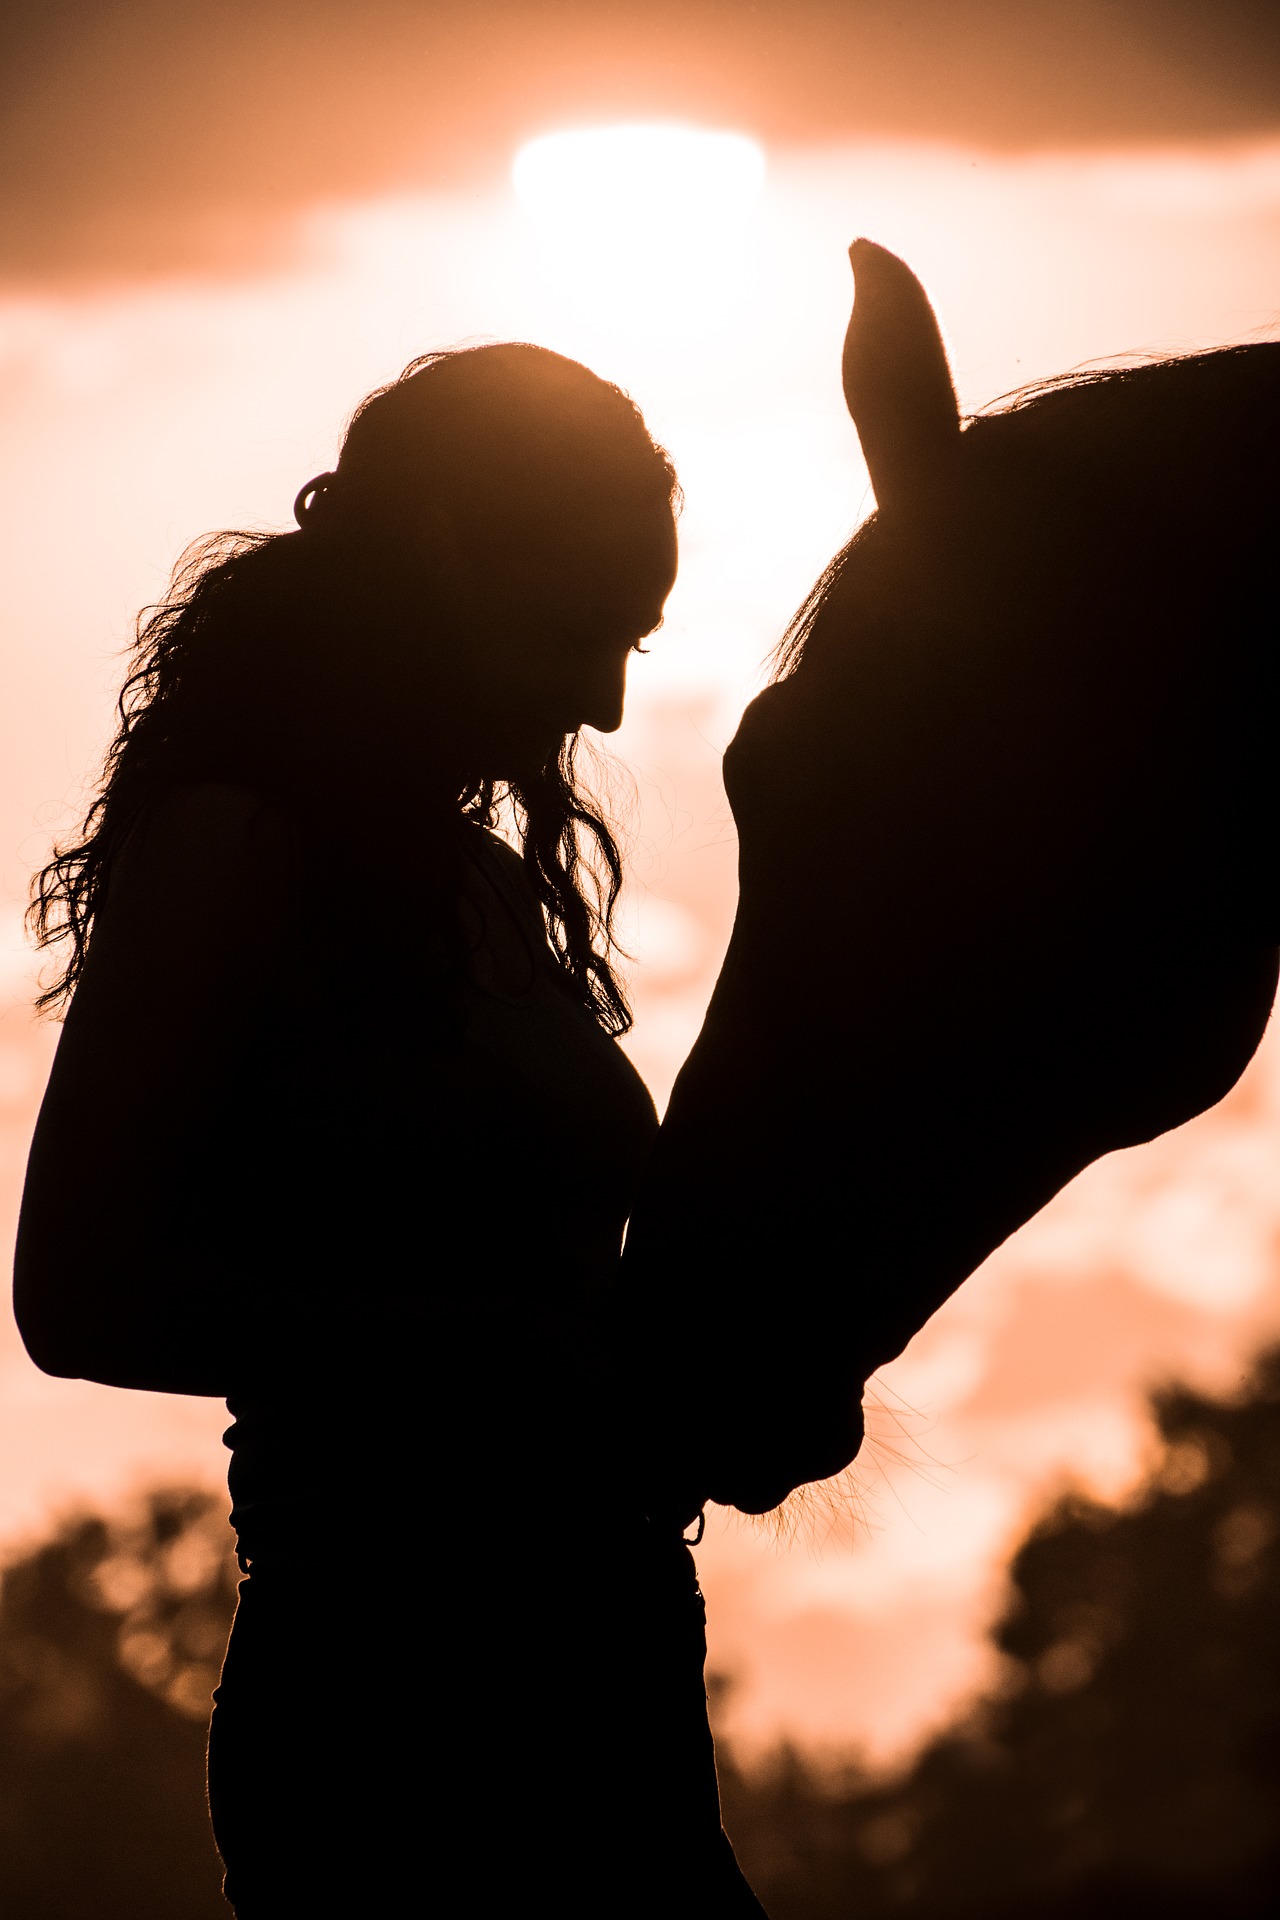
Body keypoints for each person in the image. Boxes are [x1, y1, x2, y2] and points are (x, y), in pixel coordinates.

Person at [14, 344, 765, 1915]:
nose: (607, 695)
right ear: (440, 558)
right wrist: (484, 1349)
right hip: (392, 1702)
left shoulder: (481, 887)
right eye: (576, 627)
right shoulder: (233, 849)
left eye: (632, 642)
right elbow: (76, 1293)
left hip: (611, 1665)